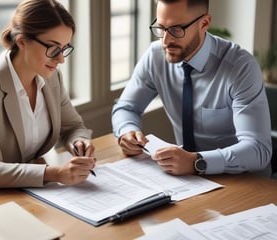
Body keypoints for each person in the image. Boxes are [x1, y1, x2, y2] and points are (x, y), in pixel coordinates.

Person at [112, 0, 272, 176]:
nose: (166, 40)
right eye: (161, 28)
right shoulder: (155, 56)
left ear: (204, 24)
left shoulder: (240, 68)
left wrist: (197, 162)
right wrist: (127, 132)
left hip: (245, 183)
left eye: (176, 30)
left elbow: (259, 150)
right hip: (188, 181)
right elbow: (126, 108)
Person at [0, 0, 96, 190]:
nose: (60, 59)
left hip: (25, 190)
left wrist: (79, 142)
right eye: (53, 48)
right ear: (22, 41)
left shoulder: (51, 78)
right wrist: (56, 174)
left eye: (65, 48)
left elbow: (73, 126)